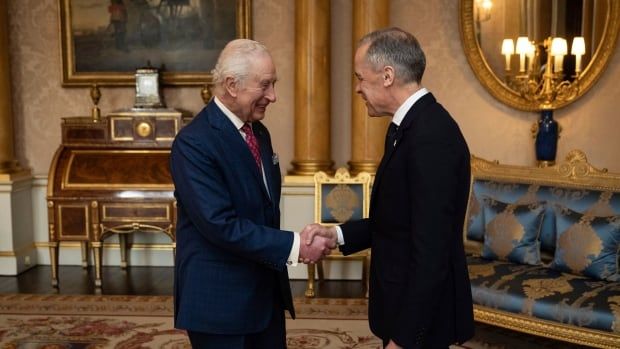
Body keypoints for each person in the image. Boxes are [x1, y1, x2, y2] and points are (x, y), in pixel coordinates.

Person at [304, 27, 475, 349]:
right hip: (402, 305)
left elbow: (431, 252)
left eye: (360, 78)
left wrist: (405, 338)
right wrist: (336, 235)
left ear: (387, 75)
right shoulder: (411, 127)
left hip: (422, 321)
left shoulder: (431, 137)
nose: (356, 88)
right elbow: (397, 222)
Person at [170, 39, 333, 349]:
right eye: (265, 85)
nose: (273, 96)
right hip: (220, 304)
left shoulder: (258, 132)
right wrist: (296, 245)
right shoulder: (194, 143)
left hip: (265, 295)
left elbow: (264, 209)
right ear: (232, 85)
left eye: (274, 84)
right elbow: (220, 224)